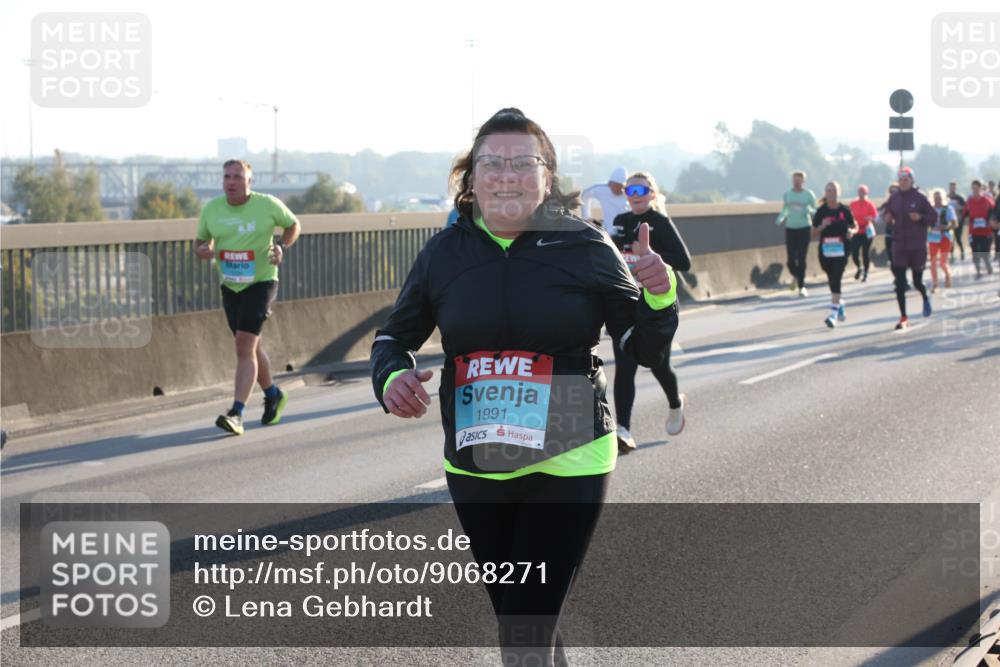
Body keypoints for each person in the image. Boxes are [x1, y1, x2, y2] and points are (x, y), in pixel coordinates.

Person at [370, 108, 678, 666]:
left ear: (546, 176)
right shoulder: (445, 254)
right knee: (525, 619)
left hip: (569, 453)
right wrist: (391, 377)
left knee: (523, 632)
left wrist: (658, 296)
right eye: (492, 162)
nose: (506, 173)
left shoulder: (586, 247)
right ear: (471, 177)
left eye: (522, 162)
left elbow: (642, 349)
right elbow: (393, 337)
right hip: (476, 462)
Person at [195, 159, 301, 434]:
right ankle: (274, 394)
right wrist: (202, 250)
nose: (231, 182)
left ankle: (237, 413)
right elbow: (200, 242)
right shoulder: (212, 209)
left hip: (262, 282)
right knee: (250, 348)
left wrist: (282, 247)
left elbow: (293, 225)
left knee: (243, 346)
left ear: (249, 182)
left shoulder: (267, 204)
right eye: (227, 177)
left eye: (238, 177)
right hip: (230, 285)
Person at [608, 172, 692, 452]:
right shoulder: (621, 222)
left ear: (652, 194)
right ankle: (623, 429)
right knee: (625, 365)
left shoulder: (660, 222)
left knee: (658, 365)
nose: (634, 194)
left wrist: (651, 256)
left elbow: (684, 261)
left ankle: (675, 402)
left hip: (656, 305)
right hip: (625, 303)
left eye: (640, 189)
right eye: (629, 189)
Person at [881, 167, 935, 330]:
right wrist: (887, 217)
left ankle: (925, 296)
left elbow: (933, 217)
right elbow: (886, 213)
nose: (903, 182)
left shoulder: (920, 198)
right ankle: (903, 316)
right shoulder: (894, 197)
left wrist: (920, 217)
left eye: (906, 179)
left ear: (912, 180)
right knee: (900, 282)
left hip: (917, 245)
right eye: (901, 179)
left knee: (917, 281)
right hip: (899, 245)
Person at [812, 182, 857, 328]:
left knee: (836, 278)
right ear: (825, 193)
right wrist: (822, 226)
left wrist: (852, 232)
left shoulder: (845, 210)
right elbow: (812, 234)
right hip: (825, 251)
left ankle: (833, 315)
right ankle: (839, 303)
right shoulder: (821, 211)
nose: (831, 193)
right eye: (828, 190)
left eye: (834, 190)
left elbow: (854, 226)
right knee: (832, 279)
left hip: (841, 250)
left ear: (839, 192)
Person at [776, 170, 817, 296]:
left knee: (801, 258)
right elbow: (785, 209)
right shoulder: (788, 194)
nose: (796, 182)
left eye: (799, 180)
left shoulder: (808, 194)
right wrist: (781, 217)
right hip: (791, 228)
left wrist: (808, 210)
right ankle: (797, 276)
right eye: (794, 180)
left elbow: (815, 209)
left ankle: (802, 287)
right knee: (790, 260)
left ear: (803, 181)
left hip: (804, 227)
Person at [580, 166, 630, 238]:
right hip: (606, 232)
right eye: (614, 185)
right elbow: (584, 195)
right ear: (609, 183)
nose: (616, 189)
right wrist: (586, 217)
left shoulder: (629, 193)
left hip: (623, 232)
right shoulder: (601, 190)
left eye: (620, 186)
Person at [961, 179, 996, 279]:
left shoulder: (987, 200)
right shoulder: (969, 201)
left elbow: (994, 212)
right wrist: (965, 219)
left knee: (985, 253)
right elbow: (964, 214)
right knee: (975, 252)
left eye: (977, 188)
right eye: (973, 188)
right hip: (974, 231)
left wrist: (991, 221)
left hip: (986, 231)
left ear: (981, 188)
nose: (975, 190)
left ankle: (988, 266)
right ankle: (978, 271)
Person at [928, 189, 958, 291]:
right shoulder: (930, 210)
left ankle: (947, 274)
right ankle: (935, 284)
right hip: (933, 237)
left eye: (939, 198)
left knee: (942, 262)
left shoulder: (948, 209)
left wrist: (945, 227)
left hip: (945, 237)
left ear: (943, 198)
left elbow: (954, 223)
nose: (937, 200)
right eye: (935, 198)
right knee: (932, 262)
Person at [848, 185, 877, 281]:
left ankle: (866, 273)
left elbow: (875, 217)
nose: (861, 194)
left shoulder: (869, 204)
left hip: (866, 231)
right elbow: (848, 214)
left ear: (866, 193)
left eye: (863, 192)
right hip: (856, 231)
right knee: (854, 252)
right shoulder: (853, 204)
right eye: (860, 192)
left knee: (865, 253)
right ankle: (859, 267)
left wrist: (870, 218)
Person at [947, 181, 967, 261]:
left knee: (958, 237)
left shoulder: (960, 198)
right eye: (951, 187)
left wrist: (959, 208)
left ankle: (962, 252)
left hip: (958, 220)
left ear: (956, 188)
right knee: (951, 238)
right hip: (949, 221)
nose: (952, 188)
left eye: (954, 187)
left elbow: (965, 208)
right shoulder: (946, 197)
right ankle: (951, 255)